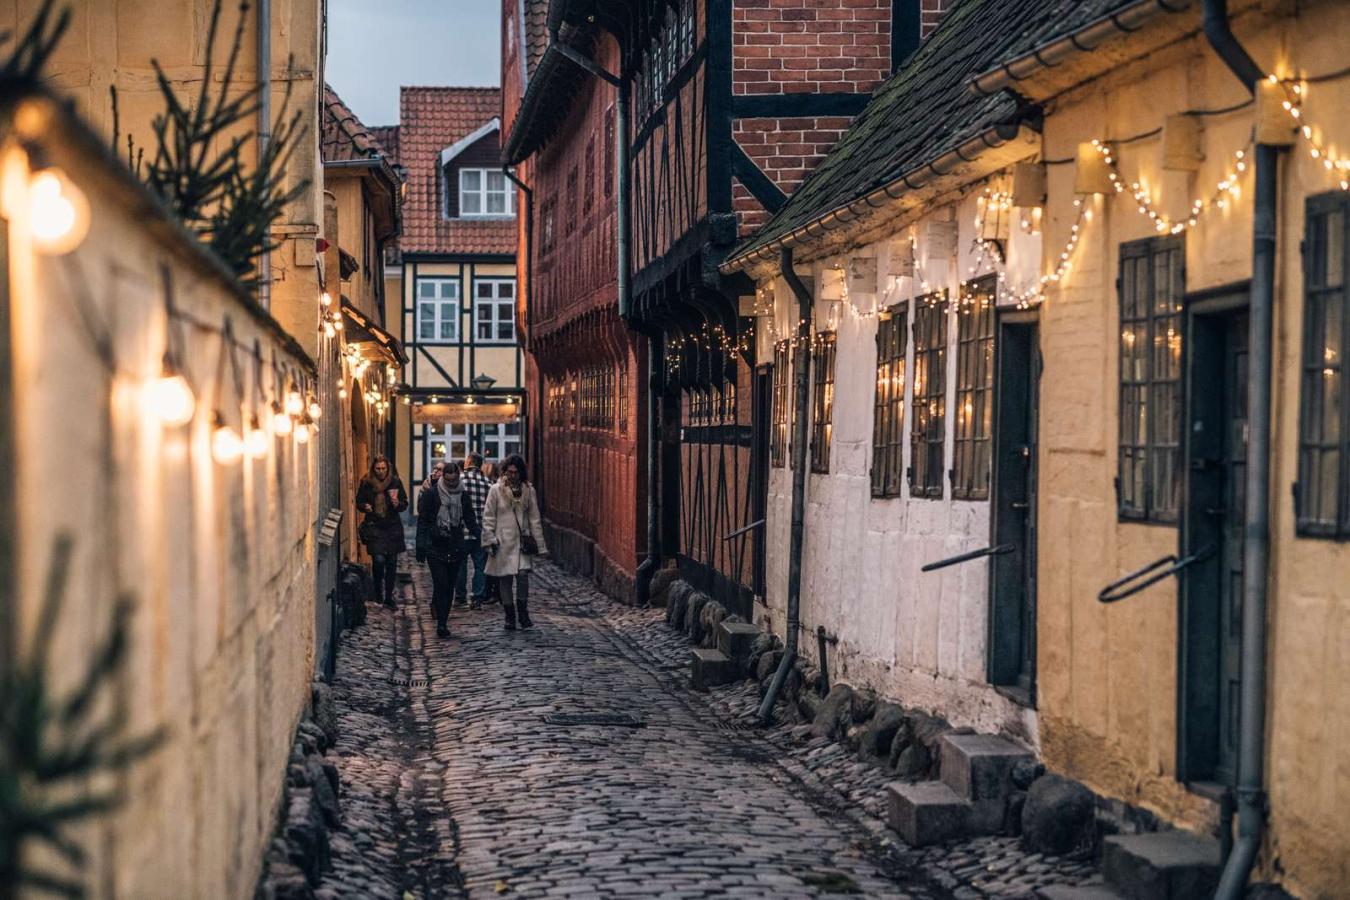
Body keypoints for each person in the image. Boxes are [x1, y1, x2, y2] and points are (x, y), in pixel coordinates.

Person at [481, 454, 548, 630]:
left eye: (515, 472)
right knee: (505, 579)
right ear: (504, 472)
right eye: (509, 472)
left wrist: (540, 545)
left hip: (522, 541)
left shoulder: (528, 490)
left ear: (520, 473)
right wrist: (489, 539)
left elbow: (534, 518)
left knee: (523, 576)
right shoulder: (495, 490)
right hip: (503, 541)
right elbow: (488, 516)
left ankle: (523, 613)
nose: (512, 475)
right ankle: (509, 616)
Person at [415, 460, 479, 638]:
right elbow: (423, 521)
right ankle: (441, 623)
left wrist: (481, 537)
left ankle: (443, 620)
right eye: (448, 481)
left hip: (455, 546)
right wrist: (420, 545)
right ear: (443, 477)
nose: (451, 484)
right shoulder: (432, 494)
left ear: (458, 478)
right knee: (441, 583)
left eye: (454, 481)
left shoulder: (463, 496)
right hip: (435, 546)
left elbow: (470, 519)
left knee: (450, 585)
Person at [356, 455, 409, 609]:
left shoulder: (395, 482)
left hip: (392, 527)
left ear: (388, 468)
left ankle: (388, 596)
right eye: (377, 469)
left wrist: (397, 503)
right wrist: (364, 506)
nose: (380, 472)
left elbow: (404, 503)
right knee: (378, 560)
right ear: (373, 468)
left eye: (383, 468)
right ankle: (378, 592)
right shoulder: (366, 482)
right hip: (374, 526)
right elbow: (359, 501)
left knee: (391, 562)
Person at [456, 451, 493, 610]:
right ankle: (477, 597)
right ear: (480, 466)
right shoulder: (488, 483)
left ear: (467, 463)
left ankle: (460, 597)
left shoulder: (459, 481)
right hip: (481, 531)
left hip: (461, 531)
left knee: (460, 565)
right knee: (480, 566)